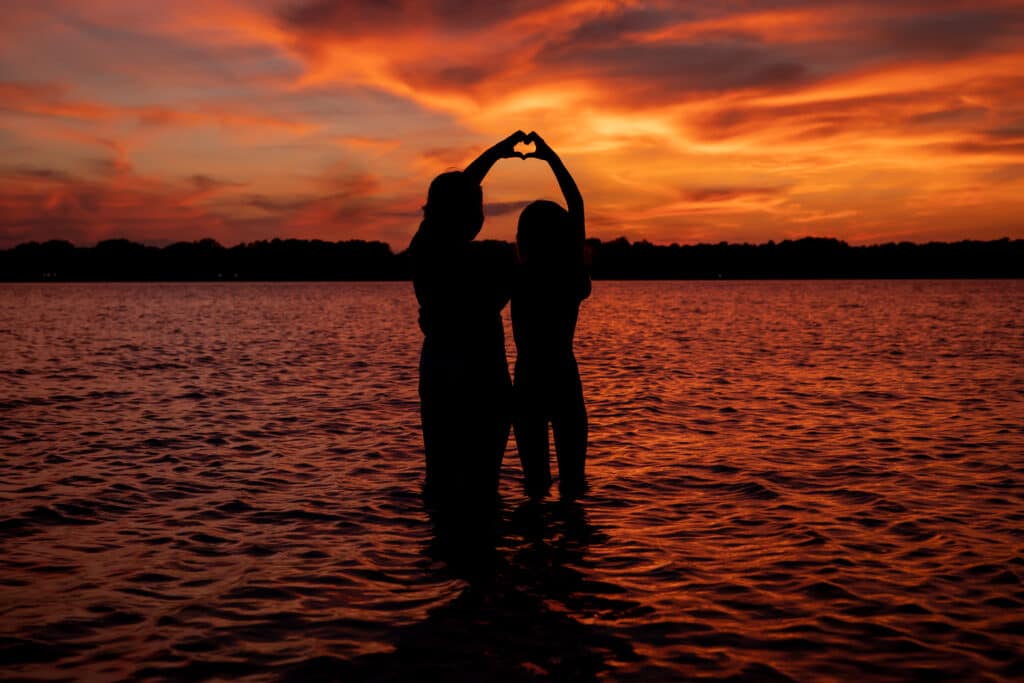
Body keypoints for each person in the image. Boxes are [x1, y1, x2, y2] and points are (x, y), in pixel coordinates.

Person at [409, 131, 527, 512]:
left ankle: (444, 554)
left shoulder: (425, 250)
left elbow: (460, 189)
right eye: (479, 208)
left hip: (440, 371)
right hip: (481, 377)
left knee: (440, 475)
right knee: (483, 483)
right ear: (470, 215)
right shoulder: (487, 262)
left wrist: (496, 153)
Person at [512, 132, 590, 500]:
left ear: (523, 239)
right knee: (574, 482)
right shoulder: (570, 275)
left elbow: (575, 208)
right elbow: (577, 204)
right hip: (562, 375)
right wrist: (550, 157)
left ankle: (532, 547)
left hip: (528, 379)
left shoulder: (520, 278)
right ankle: (573, 551)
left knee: (535, 486)